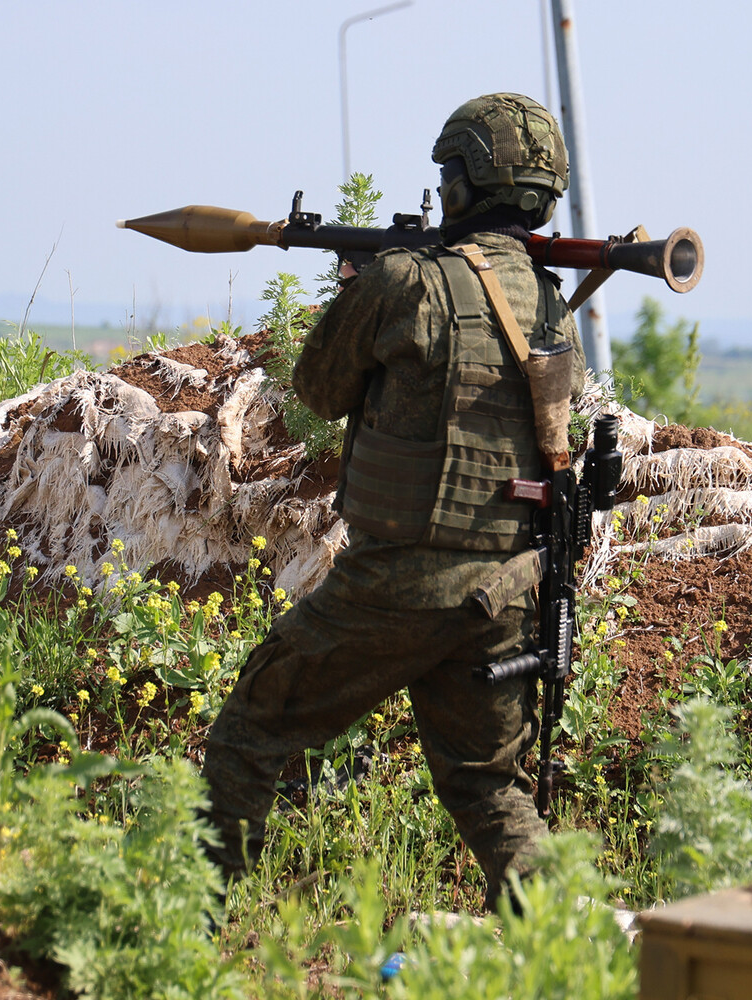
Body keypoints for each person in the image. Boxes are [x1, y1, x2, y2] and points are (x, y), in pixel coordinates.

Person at [199, 93, 586, 910]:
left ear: (460, 182)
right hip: (507, 589)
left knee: (255, 725)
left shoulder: (406, 281)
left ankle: (185, 929)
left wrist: (360, 292)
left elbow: (317, 389)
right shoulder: (552, 302)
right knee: (490, 789)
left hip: (400, 583)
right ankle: (569, 959)